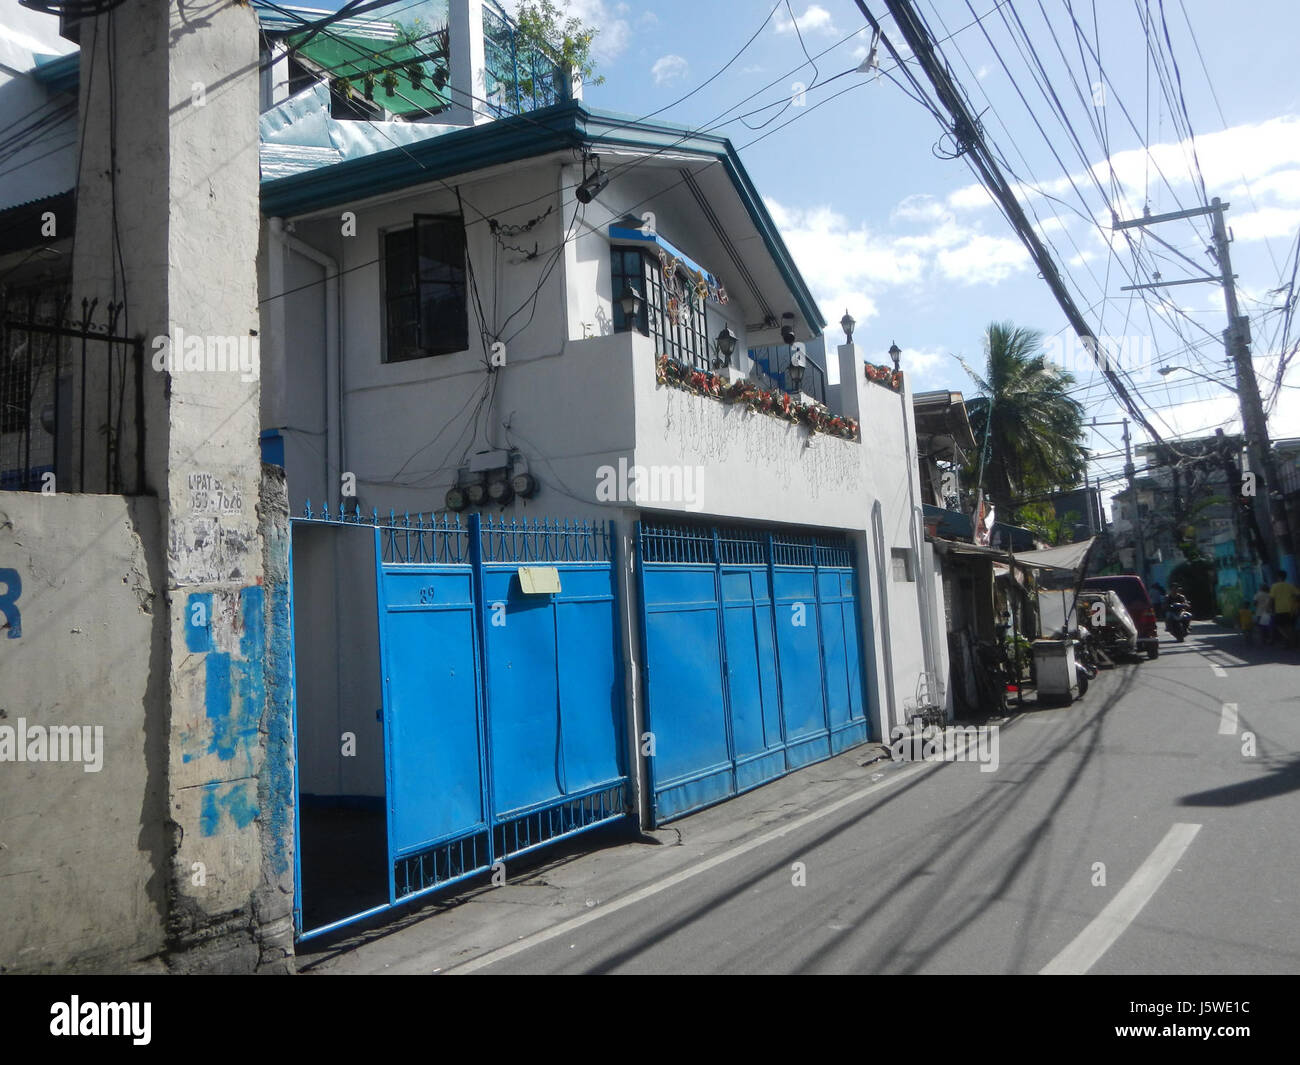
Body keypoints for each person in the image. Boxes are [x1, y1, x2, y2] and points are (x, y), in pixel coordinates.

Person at [1269, 570, 1299, 650]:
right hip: (1290, 609)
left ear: (1278, 577)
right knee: (1289, 626)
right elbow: (1298, 595)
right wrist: (1295, 605)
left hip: (1280, 609)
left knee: (1279, 626)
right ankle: (1291, 642)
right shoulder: (1290, 586)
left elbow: (1272, 599)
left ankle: (1290, 639)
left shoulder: (1274, 586)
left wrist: (1271, 609)